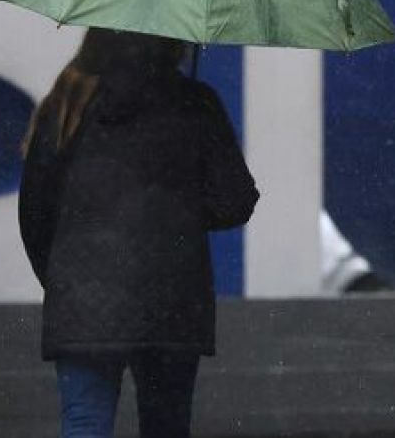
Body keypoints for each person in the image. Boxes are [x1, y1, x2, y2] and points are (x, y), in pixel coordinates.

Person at [20, 29, 259, 438]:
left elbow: (35, 212)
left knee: (84, 424)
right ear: (174, 41)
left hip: (82, 296)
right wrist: (182, 210)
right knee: (165, 425)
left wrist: (63, 280)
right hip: (171, 295)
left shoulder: (66, 102)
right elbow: (235, 200)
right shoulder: (195, 102)